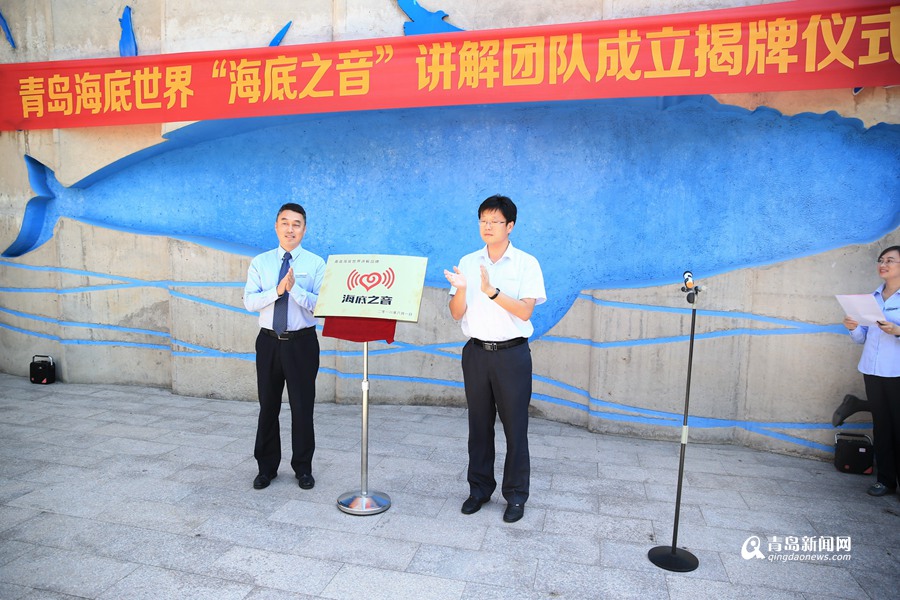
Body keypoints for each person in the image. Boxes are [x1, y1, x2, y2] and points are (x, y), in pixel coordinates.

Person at [444, 194, 546, 523]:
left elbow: (526, 311)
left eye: (495, 221)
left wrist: (492, 292)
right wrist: (462, 289)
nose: (487, 227)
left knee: (515, 427)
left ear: (510, 225)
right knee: (478, 425)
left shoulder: (526, 263)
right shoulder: (468, 261)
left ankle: (515, 495)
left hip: (511, 354)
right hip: (476, 353)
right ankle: (479, 489)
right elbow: (456, 312)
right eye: (483, 221)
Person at [244, 203, 326, 491]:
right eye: (285, 223)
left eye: (296, 224)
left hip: (301, 343)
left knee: (302, 408)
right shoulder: (261, 262)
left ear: (304, 229)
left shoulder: (316, 263)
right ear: (276, 226)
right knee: (268, 406)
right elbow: (250, 301)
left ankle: (303, 469)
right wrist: (277, 291)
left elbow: (321, 305)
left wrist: (295, 291)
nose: (290, 229)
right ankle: (266, 468)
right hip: (268, 342)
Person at [843, 245, 900, 498]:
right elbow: (861, 338)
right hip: (872, 370)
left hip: (897, 372)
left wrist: (897, 330)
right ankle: (885, 480)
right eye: (881, 260)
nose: (883, 264)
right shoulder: (871, 299)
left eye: (890, 260)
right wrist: (853, 327)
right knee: (882, 427)